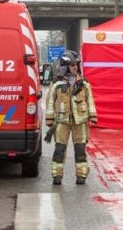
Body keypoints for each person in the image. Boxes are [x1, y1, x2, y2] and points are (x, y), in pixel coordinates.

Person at [45, 51, 98, 185]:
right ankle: (57, 176)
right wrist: (49, 119)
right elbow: (50, 101)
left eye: (76, 64)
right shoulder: (57, 84)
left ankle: (81, 176)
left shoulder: (84, 83)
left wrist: (92, 116)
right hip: (62, 122)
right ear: (65, 66)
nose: (75, 67)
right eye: (72, 65)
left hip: (80, 122)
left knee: (80, 150)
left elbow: (90, 100)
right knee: (59, 150)